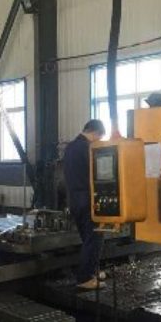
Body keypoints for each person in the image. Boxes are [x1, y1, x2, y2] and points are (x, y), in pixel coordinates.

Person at [63, 119, 106, 290]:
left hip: (74, 200)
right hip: (89, 200)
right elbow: (98, 173)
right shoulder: (88, 148)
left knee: (87, 238)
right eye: (99, 138)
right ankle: (85, 278)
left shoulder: (70, 148)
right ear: (95, 133)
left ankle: (92, 271)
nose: (98, 141)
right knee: (94, 239)